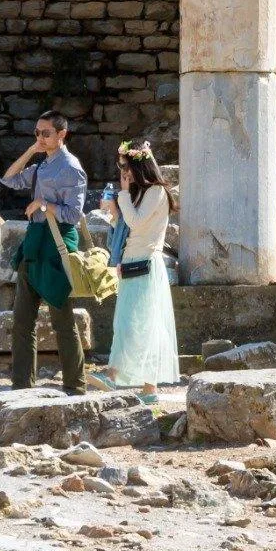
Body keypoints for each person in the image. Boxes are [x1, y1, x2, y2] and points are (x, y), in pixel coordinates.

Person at [0, 109, 88, 393]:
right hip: (34, 243)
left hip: (58, 244)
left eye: (46, 133)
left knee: (63, 321)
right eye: (37, 133)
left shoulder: (71, 167)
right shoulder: (41, 165)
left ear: (62, 134)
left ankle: (76, 387)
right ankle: (22, 386)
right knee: (22, 321)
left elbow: (74, 214)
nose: (41, 137)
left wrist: (43, 205)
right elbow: (9, 179)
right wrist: (30, 151)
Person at [102, 140, 179, 396]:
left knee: (138, 323)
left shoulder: (156, 192)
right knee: (131, 322)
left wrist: (123, 195)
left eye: (126, 165)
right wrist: (114, 211)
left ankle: (113, 375)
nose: (123, 171)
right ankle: (149, 389)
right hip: (133, 262)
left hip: (145, 264)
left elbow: (136, 222)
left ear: (139, 165)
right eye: (120, 165)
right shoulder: (142, 192)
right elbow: (129, 228)